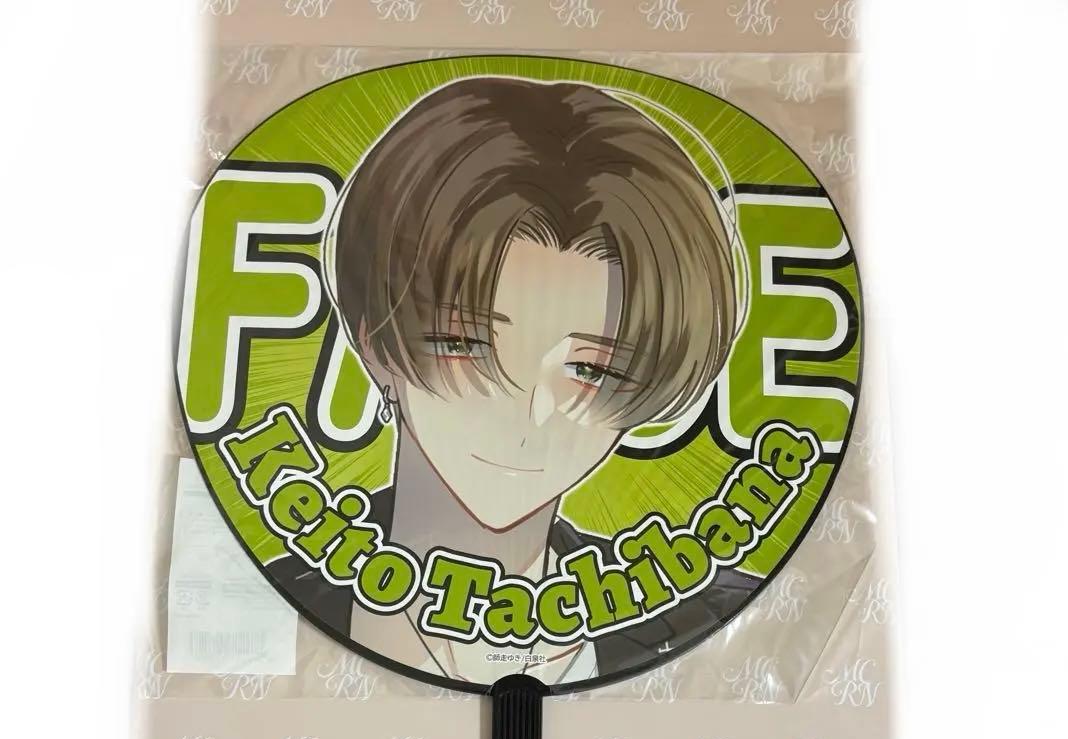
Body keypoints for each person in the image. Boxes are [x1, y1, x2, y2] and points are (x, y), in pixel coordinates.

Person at [271, 76, 758, 685]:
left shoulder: (705, 614)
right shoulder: (270, 599)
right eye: (466, 346)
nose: (528, 417)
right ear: (374, 341)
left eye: (591, 369)